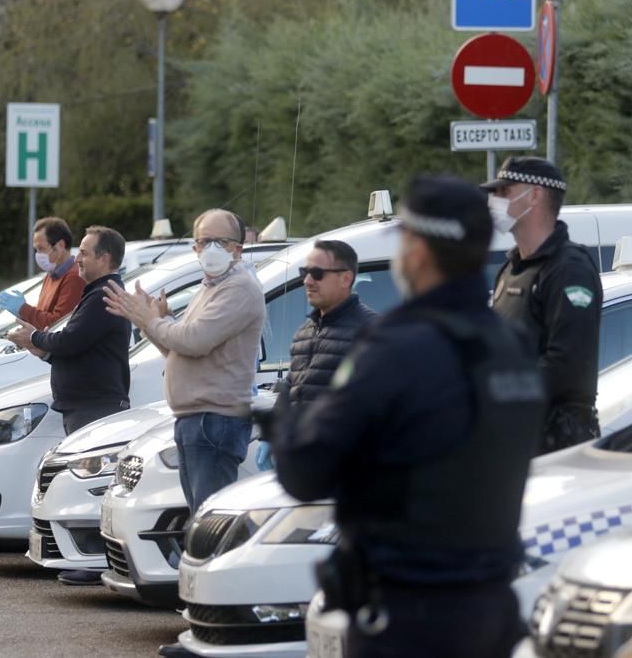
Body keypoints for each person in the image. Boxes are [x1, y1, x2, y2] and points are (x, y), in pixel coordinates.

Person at [269, 175, 545, 658]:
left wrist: (283, 421)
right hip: (491, 607)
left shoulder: (397, 346)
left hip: (410, 615)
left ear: (417, 250)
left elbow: (306, 470)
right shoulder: (511, 345)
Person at [103, 209, 265, 513]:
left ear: (238, 249)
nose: (210, 249)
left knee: (211, 524)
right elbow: (180, 349)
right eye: (204, 242)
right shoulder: (211, 288)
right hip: (197, 420)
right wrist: (148, 322)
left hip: (215, 420)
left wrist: (150, 320)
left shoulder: (239, 287)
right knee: (201, 519)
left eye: (221, 242)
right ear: (194, 248)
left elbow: (193, 340)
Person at [483, 156, 603, 454]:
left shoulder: (569, 268)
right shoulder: (511, 268)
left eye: (504, 191)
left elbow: (566, 366)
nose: (494, 200)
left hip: (555, 443)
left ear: (534, 195)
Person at [257, 240, 377, 470]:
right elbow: (291, 385)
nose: (307, 281)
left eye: (317, 273)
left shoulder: (370, 331)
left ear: (346, 279)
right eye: (305, 272)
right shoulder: (305, 332)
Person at [8, 225, 131, 435]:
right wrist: (45, 352)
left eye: (84, 253)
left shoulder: (104, 295)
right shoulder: (97, 292)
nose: (76, 259)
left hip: (95, 409)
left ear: (104, 258)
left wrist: (34, 336)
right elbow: (81, 348)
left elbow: (69, 340)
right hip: (87, 407)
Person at [0, 217, 85, 329]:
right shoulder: (51, 276)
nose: (38, 254)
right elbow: (42, 316)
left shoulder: (74, 277)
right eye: (36, 249)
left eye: (41, 248)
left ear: (60, 245)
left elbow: (58, 325)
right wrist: (23, 315)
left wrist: (23, 309)